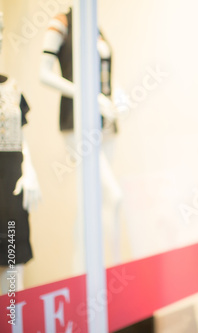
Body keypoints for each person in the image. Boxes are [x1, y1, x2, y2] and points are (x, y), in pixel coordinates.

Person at [39, 8, 123, 271]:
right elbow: (44, 73)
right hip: (78, 122)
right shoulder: (62, 23)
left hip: (106, 124)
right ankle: (109, 274)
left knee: (91, 204)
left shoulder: (94, 25)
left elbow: (106, 75)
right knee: (113, 197)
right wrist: (88, 96)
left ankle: (83, 276)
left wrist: (118, 97)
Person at [0, 12, 41, 294]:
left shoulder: (12, 87)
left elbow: (20, 136)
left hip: (13, 183)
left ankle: (14, 322)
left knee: (14, 268)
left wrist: (31, 170)